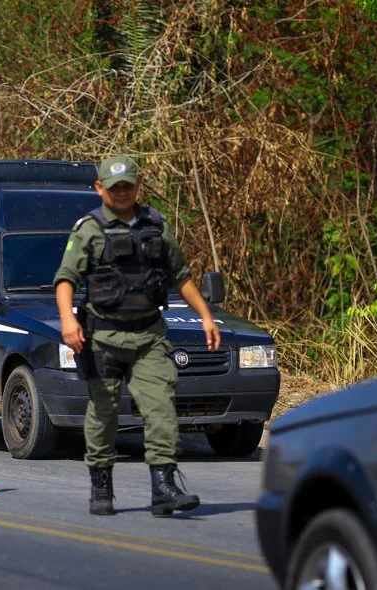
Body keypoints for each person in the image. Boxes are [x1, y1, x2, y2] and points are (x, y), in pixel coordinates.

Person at [53, 155, 221, 516]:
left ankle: (164, 488)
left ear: (137, 186)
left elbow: (182, 277)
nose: (122, 192)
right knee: (104, 413)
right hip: (104, 340)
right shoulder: (90, 230)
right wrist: (68, 321)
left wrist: (207, 317)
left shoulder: (155, 227)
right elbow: (66, 279)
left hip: (148, 337)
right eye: (115, 187)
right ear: (100, 189)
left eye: (128, 185)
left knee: (161, 410)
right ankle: (101, 485)